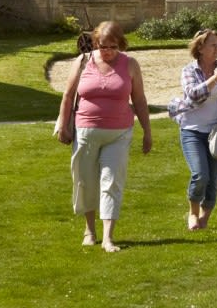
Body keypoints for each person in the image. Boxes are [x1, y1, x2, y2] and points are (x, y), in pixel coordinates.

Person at [54, 19, 152, 251]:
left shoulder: (130, 65)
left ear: (121, 45)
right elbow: (68, 96)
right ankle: (89, 229)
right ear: (95, 43)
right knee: (86, 181)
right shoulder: (83, 62)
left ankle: (108, 237)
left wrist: (147, 131)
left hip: (119, 133)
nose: (107, 51)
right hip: (85, 131)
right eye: (102, 46)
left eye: (112, 47)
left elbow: (139, 99)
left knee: (112, 182)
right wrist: (62, 124)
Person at [169, 28, 217, 231]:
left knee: (213, 181)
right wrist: (215, 79)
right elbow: (193, 95)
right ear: (200, 48)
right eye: (213, 45)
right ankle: (192, 212)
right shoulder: (189, 70)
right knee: (200, 175)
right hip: (192, 130)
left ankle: (204, 219)